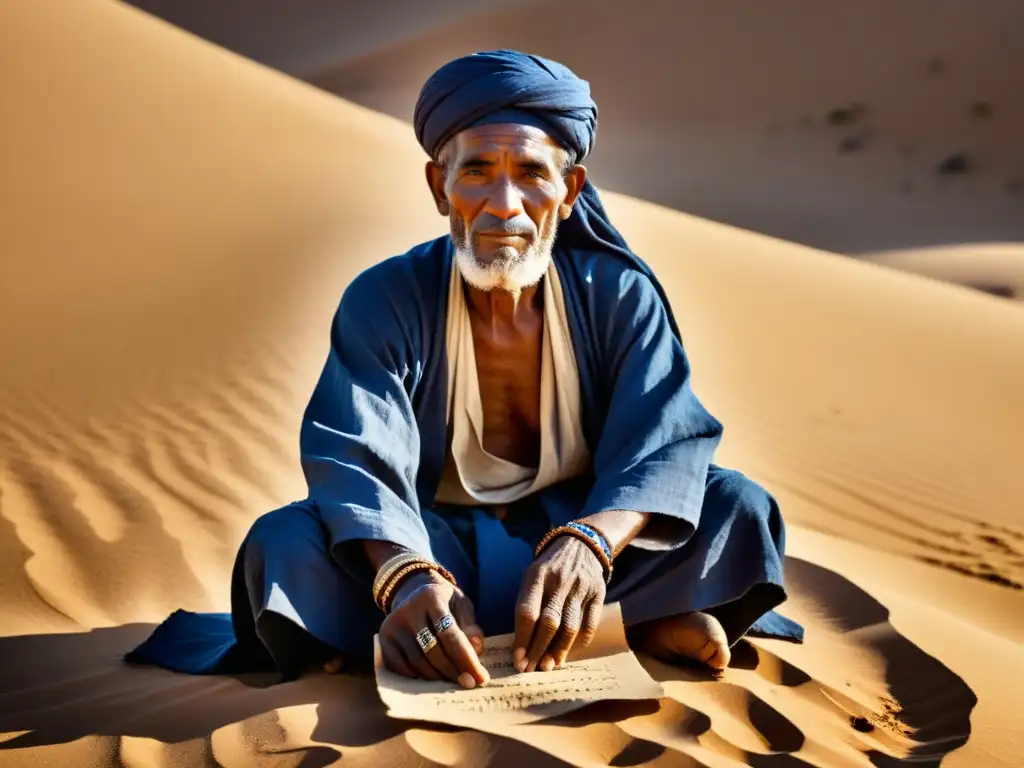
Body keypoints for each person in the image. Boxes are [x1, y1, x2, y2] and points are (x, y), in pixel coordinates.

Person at [127, 49, 803, 688]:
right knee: (283, 542)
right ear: (438, 183)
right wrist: (406, 576)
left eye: (532, 174)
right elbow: (355, 457)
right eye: (477, 170)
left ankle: (576, 615)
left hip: (585, 549)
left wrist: (589, 546)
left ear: (569, 191)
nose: (504, 204)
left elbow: (663, 444)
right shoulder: (386, 297)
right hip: (431, 542)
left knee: (740, 509)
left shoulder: (615, 294)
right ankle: (619, 622)